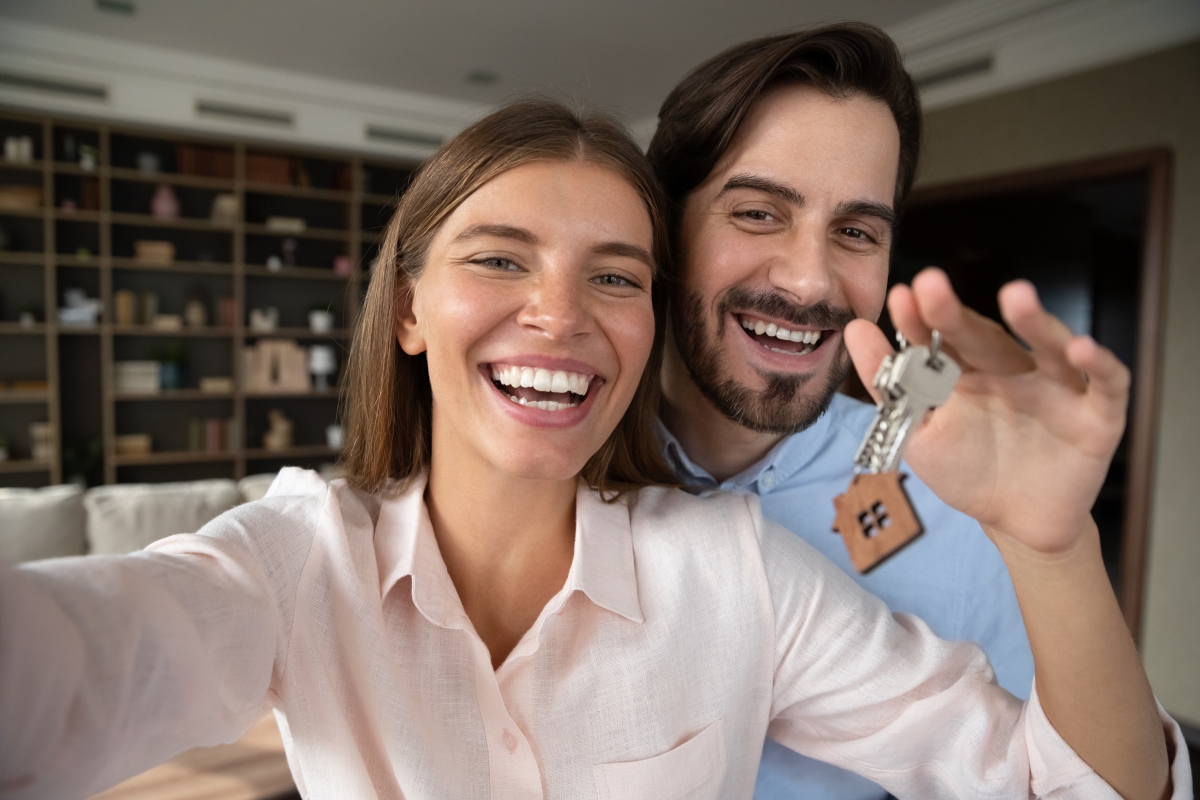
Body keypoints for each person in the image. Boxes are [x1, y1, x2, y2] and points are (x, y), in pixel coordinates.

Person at [0, 99, 1187, 800]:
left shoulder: (744, 576)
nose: (559, 315)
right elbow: (58, 672)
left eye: (613, 276)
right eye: (499, 257)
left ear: (648, 317)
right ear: (407, 309)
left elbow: (1068, 785)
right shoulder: (295, 557)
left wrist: (1053, 538)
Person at [646, 24, 1033, 798]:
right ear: (662, 231)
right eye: (758, 212)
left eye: (855, 232)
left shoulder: (961, 510)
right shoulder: (549, 475)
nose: (809, 283)